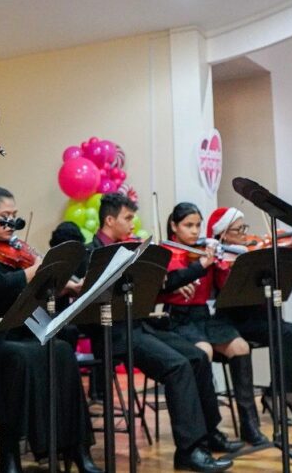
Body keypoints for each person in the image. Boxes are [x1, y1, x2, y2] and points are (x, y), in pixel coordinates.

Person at [0, 187, 100, 473]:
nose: (12, 224)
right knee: (21, 359)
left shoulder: (17, 251)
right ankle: (9, 454)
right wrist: (27, 275)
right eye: (4, 217)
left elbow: (25, 295)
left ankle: (77, 449)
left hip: (15, 334)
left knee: (63, 350)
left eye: (15, 217)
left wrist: (58, 283)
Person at [84, 192, 237, 472]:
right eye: (127, 218)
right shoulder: (92, 252)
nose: (133, 223)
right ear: (109, 220)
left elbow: (156, 287)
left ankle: (209, 434)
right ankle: (189, 452)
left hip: (139, 325)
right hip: (113, 334)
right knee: (178, 366)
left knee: (197, 357)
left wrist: (159, 278)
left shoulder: (127, 249)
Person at [159, 203, 268, 445]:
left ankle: (249, 424)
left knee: (240, 346)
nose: (195, 231)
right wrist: (199, 267)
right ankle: (209, 429)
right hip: (179, 318)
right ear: (174, 227)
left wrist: (223, 264)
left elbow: (225, 287)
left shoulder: (207, 250)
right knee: (203, 352)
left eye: (198, 225)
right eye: (188, 225)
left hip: (204, 317)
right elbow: (171, 281)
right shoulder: (168, 252)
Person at [212, 207, 292, 425]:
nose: (244, 235)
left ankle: (291, 392)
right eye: (238, 230)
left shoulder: (250, 251)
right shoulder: (221, 260)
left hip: (260, 317)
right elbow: (226, 288)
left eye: (243, 229)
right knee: (284, 333)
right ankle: (275, 395)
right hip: (236, 321)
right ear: (223, 234)